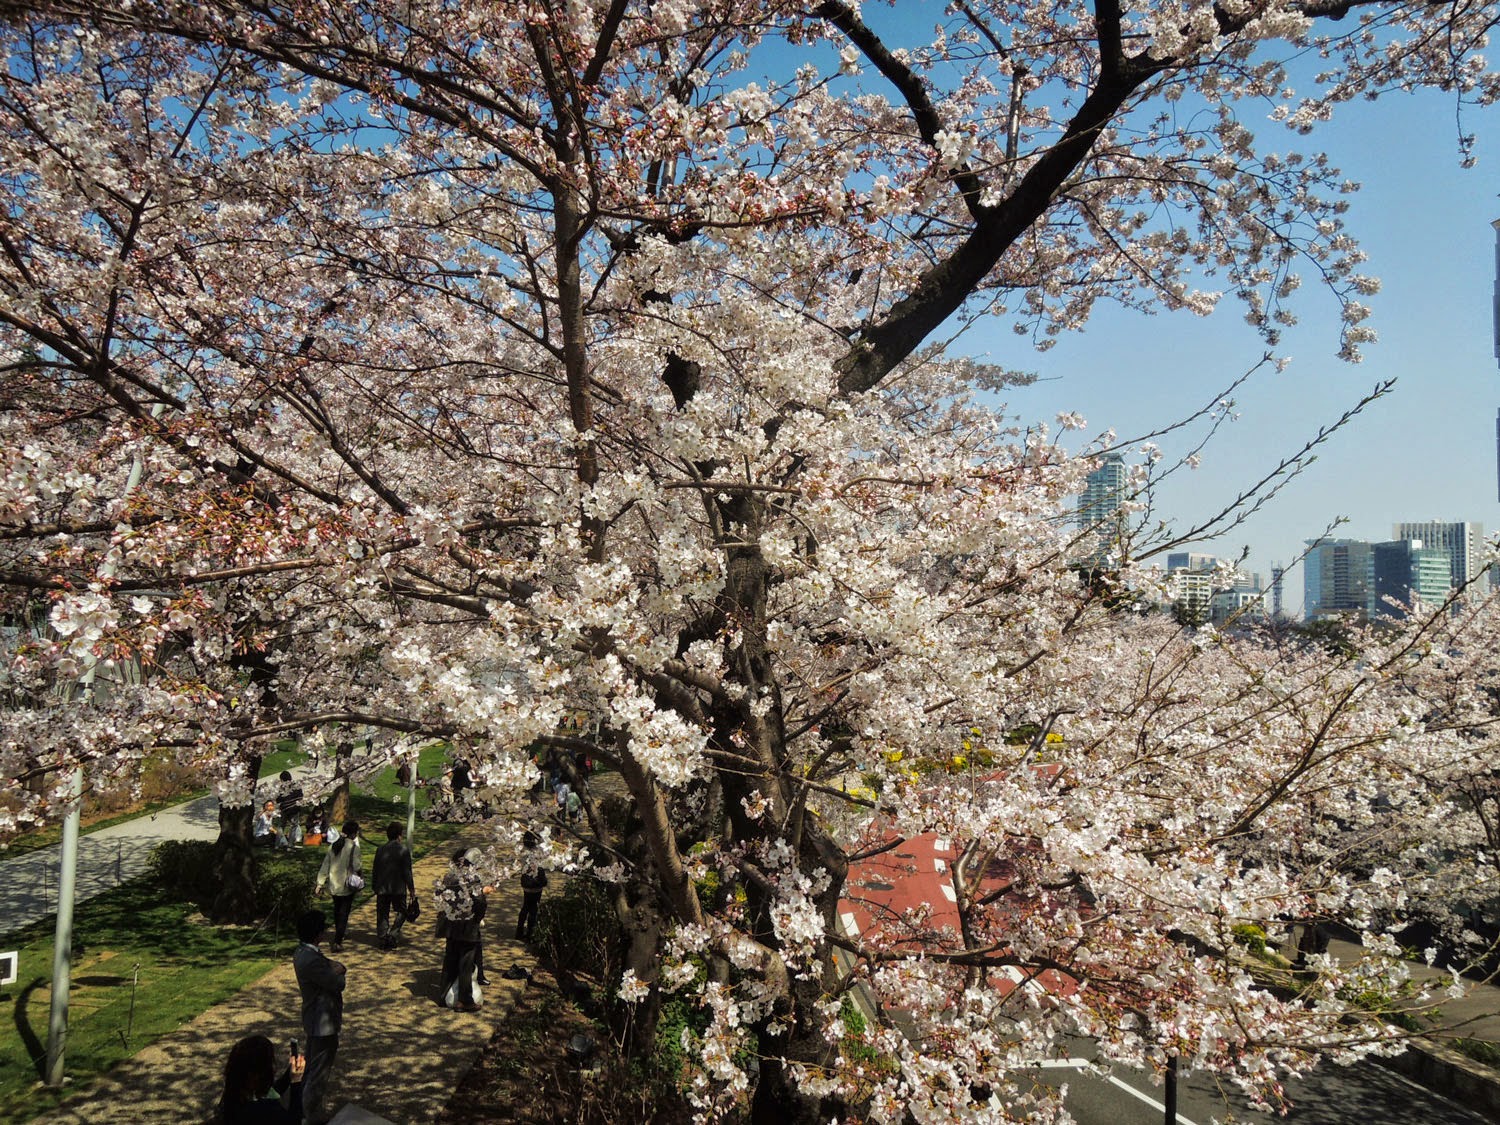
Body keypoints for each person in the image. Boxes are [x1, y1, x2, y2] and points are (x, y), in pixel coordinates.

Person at [292, 910, 345, 1125]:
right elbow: (338, 983)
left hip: (314, 1018)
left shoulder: (304, 953)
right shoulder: (312, 960)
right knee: (319, 1071)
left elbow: (330, 966)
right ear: (318, 933)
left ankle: (304, 1108)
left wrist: (335, 967)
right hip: (322, 1022)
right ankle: (311, 1114)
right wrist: (340, 969)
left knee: (311, 1066)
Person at [437, 848, 487, 1011]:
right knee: (466, 962)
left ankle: (443, 995)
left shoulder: (449, 876)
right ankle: (464, 1000)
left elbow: (439, 897)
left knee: (450, 959)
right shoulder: (472, 878)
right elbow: (479, 902)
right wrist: (478, 918)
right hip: (467, 926)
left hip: (451, 925)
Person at [215, 1034, 304, 1125]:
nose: (273, 1067)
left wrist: (289, 1074)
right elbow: (294, 1121)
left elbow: (273, 1090)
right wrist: (296, 1082)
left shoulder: (233, 1094)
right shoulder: (266, 1110)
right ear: (258, 1075)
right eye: (271, 1062)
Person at [315, 820, 362, 952]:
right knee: (344, 913)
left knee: (337, 911)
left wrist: (320, 883)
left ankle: (339, 933)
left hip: (334, 884)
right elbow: (357, 866)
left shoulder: (334, 846)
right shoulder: (353, 847)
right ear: (353, 834)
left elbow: (325, 865)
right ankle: (338, 940)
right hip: (346, 884)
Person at [372, 822, 416, 951]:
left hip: (382, 887)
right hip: (398, 888)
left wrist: (375, 885)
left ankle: (382, 936)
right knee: (402, 911)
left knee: (382, 913)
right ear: (399, 835)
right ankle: (393, 933)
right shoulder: (403, 850)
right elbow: (407, 871)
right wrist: (411, 889)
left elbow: (376, 869)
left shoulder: (380, 850)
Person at [516, 832, 548, 941]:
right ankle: (530, 933)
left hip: (526, 883)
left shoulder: (522, 851)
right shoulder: (538, 851)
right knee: (534, 908)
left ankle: (519, 931)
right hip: (536, 884)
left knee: (526, 906)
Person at [278, 771, 304, 845]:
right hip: (294, 809)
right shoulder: (296, 785)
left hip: (285, 809)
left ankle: (278, 843)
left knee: (281, 826)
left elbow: (279, 798)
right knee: (293, 826)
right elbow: (300, 796)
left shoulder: (282, 787)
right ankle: (290, 844)